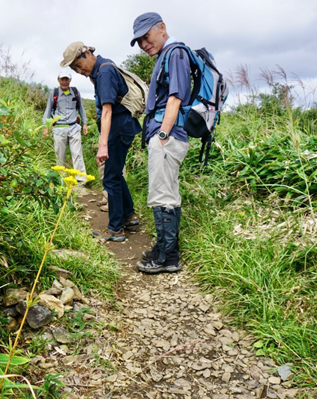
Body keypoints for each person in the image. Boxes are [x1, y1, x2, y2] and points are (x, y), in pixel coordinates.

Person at [61, 42, 140, 242]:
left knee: (111, 178)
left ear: (87, 53)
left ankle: (115, 229)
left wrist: (102, 145)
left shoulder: (104, 72)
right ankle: (129, 216)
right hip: (123, 127)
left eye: (79, 65)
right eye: (74, 69)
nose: (80, 71)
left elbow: (107, 110)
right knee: (115, 175)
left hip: (118, 128)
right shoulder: (104, 67)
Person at [131, 12, 190, 273]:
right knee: (168, 194)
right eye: (139, 41)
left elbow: (175, 98)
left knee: (161, 195)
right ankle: (167, 251)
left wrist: (163, 135)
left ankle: (166, 258)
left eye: (146, 37)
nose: (144, 44)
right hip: (169, 135)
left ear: (162, 28)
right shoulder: (167, 55)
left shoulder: (175, 53)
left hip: (167, 135)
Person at [43, 69, 89, 185]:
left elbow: (81, 108)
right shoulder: (54, 93)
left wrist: (84, 124)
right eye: (62, 79)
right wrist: (45, 127)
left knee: (77, 154)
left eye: (66, 79)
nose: (64, 82)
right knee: (60, 156)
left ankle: (81, 180)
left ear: (70, 80)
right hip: (59, 129)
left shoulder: (75, 91)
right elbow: (48, 110)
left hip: (74, 127)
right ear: (58, 80)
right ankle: (61, 181)